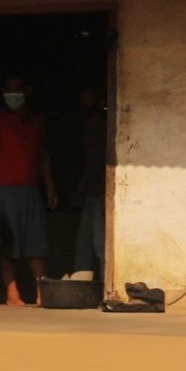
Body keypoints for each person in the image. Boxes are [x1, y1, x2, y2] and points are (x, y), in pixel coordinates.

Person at [0, 75, 58, 306]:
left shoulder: (38, 121)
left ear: (28, 91)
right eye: (9, 90)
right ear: (3, 92)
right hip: (5, 190)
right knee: (6, 245)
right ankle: (12, 294)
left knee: (37, 244)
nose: (13, 95)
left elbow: (43, 156)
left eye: (18, 90)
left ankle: (41, 293)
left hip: (31, 190)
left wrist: (50, 187)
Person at [73, 88, 107, 276]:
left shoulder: (102, 127)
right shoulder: (91, 128)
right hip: (91, 192)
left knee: (100, 245)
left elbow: (99, 162)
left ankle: (105, 287)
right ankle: (81, 286)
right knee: (84, 244)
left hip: (100, 192)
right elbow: (90, 163)